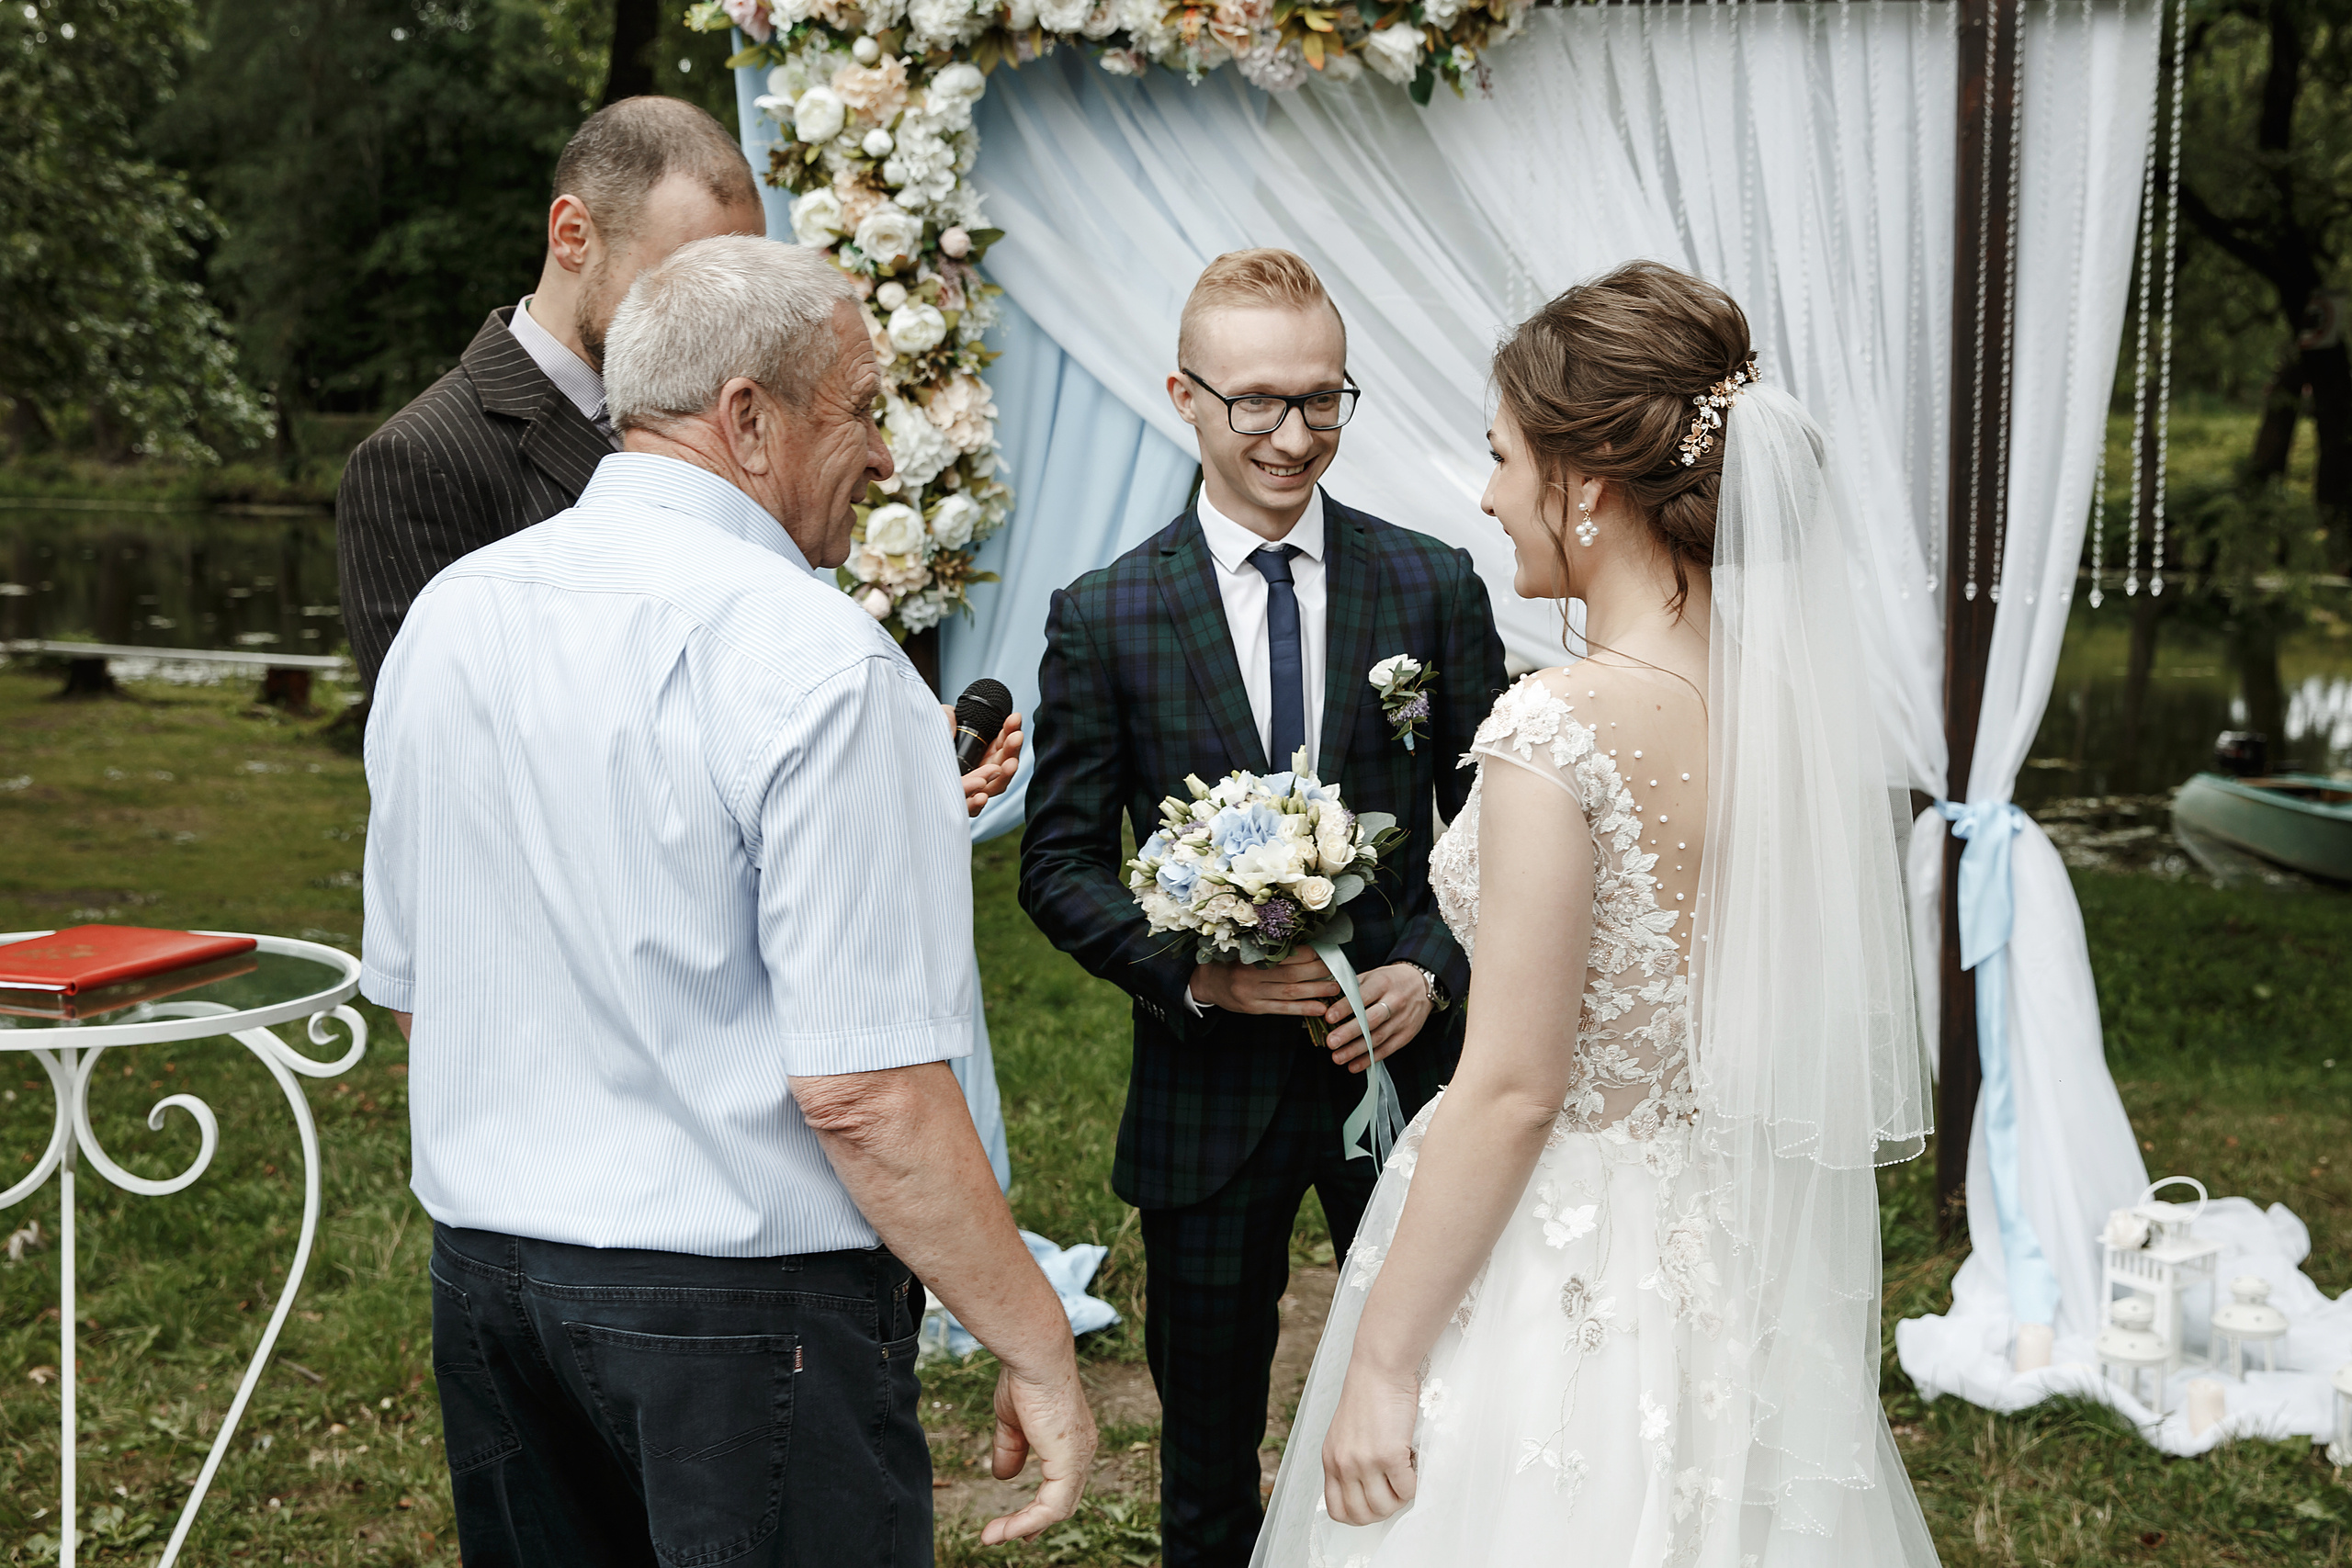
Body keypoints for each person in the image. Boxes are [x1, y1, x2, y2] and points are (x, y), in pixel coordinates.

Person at [360, 235, 1093, 1567]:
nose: (882, 457)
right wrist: (1035, 1337)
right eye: (862, 408)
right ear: (748, 417)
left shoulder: (452, 617)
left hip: (489, 1287)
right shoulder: (819, 661)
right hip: (743, 1321)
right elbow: (866, 1092)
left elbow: (417, 992)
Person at [1251, 261, 1941, 1566]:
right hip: (1718, 1242)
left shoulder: (1554, 727)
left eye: (1505, 455)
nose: (1488, 492)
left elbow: (1514, 1085)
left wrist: (1386, 1361)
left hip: (1552, 1255)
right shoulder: (1778, 703)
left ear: (1588, 485)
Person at [1019, 249, 1510, 1568]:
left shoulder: (1434, 585)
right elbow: (1057, 862)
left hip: (1408, 1080)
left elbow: (1500, 823)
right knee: (1206, 1454)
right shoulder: (1107, 613)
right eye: (1258, 404)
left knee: (1431, 1406)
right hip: (1206, 1101)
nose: (1296, 436)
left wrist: (1433, 968)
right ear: (1183, 395)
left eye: (1324, 400)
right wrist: (1198, 976)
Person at [337, 95, 764, 692]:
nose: (712, 325)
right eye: (681, 282)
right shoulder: (418, 460)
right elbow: (432, 737)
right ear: (572, 236)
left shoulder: (727, 420)